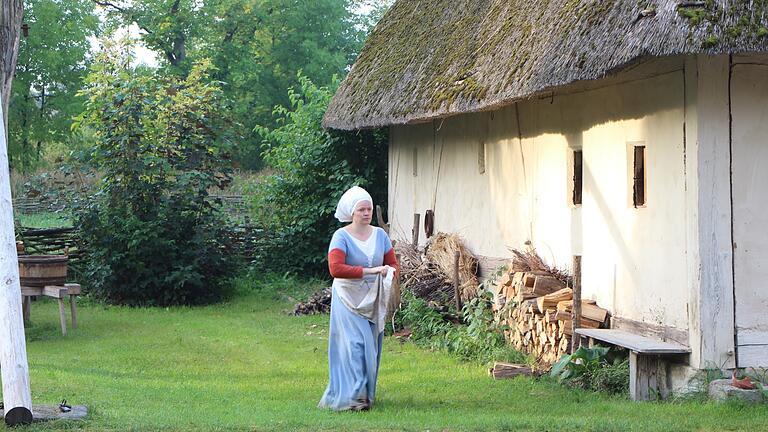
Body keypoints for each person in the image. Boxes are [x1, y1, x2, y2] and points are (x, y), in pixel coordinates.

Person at [318, 186, 399, 411]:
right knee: (355, 345)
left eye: (369, 208)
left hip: (372, 298)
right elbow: (336, 269)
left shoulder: (380, 235)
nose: (366, 213)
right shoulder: (341, 236)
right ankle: (353, 396)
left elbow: (392, 264)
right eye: (361, 209)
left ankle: (364, 396)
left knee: (370, 348)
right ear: (352, 212)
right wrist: (370, 271)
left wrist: (388, 273)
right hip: (347, 297)